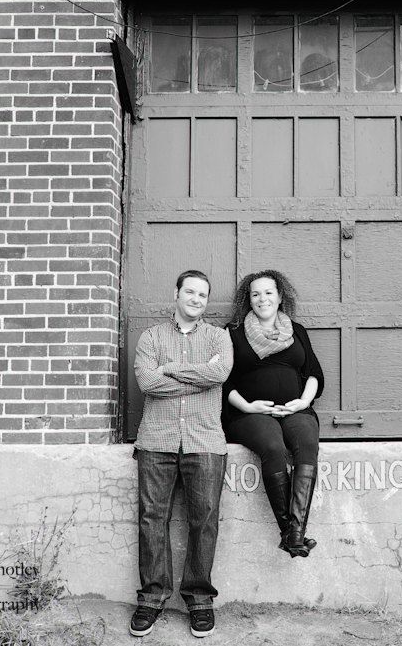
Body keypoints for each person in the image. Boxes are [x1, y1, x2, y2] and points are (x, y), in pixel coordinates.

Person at [130, 270, 234, 639]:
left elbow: (219, 373)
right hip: (156, 441)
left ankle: (200, 599)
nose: (196, 299)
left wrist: (171, 370)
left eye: (202, 294)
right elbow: (147, 382)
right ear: (176, 294)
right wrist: (197, 378)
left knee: (204, 520)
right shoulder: (151, 337)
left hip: (205, 441)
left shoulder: (219, 337)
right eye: (189, 291)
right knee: (151, 519)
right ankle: (152, 598)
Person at [223, 269, 324, 558]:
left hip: (294, 410)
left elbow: (313, 372)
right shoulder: (233, 332)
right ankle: (292, 533)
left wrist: (303, 401)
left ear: (280, 297)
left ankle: (293, 535)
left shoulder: (297, 331)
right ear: (248, 299)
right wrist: (247, 406)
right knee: (273, 447)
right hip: (250, 414)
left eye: (268, 292)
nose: (262, 298)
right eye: (255, 294)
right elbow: (224, 380)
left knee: (306, 445)